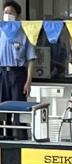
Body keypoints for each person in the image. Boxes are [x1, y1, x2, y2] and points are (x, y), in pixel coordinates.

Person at [0, 0, 35, 140]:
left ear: (18, 16)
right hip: (2, 73)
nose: (7, 14)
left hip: (18, 74)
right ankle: (4, 140)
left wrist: (28, 81)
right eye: (5, 12)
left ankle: (21, 140)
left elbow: (31, 59)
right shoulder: (1, 31)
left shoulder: (24, 33)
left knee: (19, 110)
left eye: (11, 12)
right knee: (2, 110)